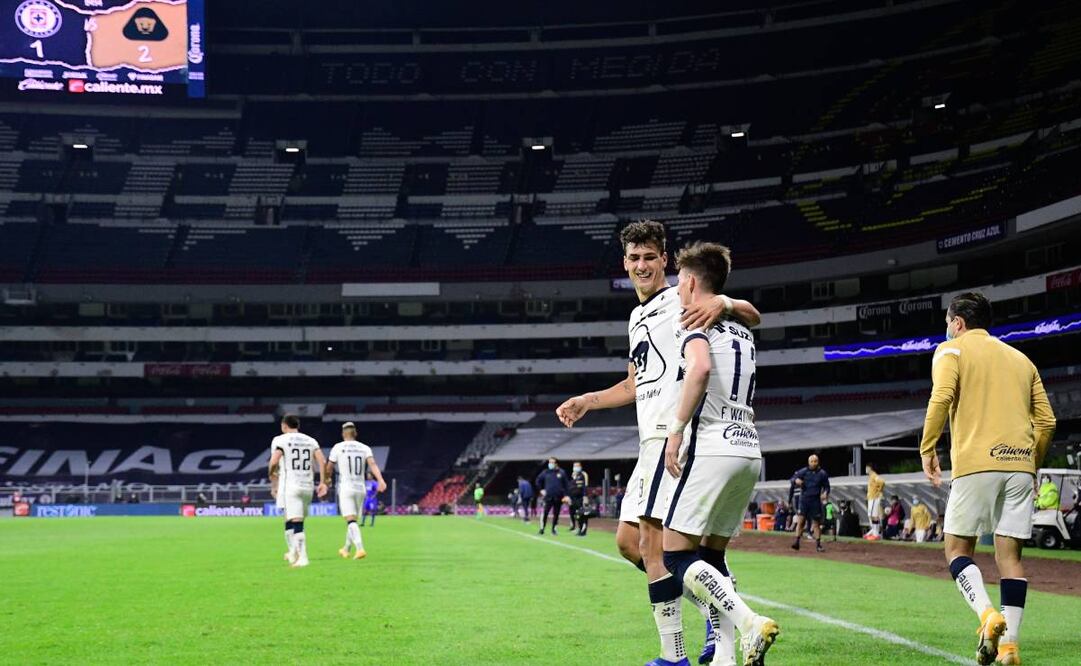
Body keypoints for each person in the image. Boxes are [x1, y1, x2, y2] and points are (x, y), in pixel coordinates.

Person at [555, 221, 761, 666]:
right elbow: (635, 382)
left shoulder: (679, 300)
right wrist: (589, 400)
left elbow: (748, 313)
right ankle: (715, 605)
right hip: (649, 440)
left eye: (650, 257)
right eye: (634, 258)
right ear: (624, 264)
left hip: (675, 437)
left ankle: (679, 651)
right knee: (630, 544)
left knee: (656, 545)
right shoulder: (636, 316)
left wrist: (725, 300)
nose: (642, 265)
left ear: (665, 260)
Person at [659, 241, 780, 665]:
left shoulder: (692, 319)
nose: (676, 290)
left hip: (712, 446)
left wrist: (675, 431)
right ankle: (726, 658)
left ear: (690, 282)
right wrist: (728, 302)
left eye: (678, 282)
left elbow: (701, 369)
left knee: (673, 553)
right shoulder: (739, 324)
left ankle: (749, 622)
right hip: (749, 446)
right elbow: (754, 314)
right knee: (712, 557)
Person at [920, 292, 1056, 665]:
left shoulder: (951, 351)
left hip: (977, 464)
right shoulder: (1022, 359)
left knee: (957, 550)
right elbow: (1047, 422)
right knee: (1010, 558)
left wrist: (927, 447)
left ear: (958, 323)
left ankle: (986, 615)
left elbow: (942, 395)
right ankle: (1009, 647)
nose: (947, 329)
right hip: (1020, 466)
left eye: (948, 322)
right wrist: (1031, 462)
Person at [267, 414, 328, 568]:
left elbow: (274, 461)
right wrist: (323, 482)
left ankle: (303, 557)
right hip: (307, 485)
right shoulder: (310, 440)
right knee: (290, 517)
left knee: (296, 522)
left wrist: (272, 476)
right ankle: (292, 552)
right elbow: (322, 460)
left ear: (284, 426)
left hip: (290, 485)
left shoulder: (280, 440)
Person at [326, 422, 386, 560]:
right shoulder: (364, 448)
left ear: (343, 434)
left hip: (346, 487)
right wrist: (381, 480)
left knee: (350, 520)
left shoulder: (338, 447)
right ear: (356, 434)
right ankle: (346, 549)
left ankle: (360, 549)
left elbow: (329, 467)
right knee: (353, 520)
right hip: (360, 488)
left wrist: (326, 480)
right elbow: (373, 464)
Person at [790, 454, 831, 552]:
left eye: (815, 461)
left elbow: (827, 487)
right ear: (808, 462)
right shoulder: (803, 471)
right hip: (804, 500)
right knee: (801, 521)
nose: (813, 463)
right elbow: (792, 479)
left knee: (816, 523)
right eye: (812, 461)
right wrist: (796, 480)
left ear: (818, 462)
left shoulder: (822, 474)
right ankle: (797, 542)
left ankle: (818, 545)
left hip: (815, 501)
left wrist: (825, 493)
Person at [535, 458, 569, 535]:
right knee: (545, 513)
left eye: (552, 462)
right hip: (548, 497)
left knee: (556, 514)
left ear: (556, 464)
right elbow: (538, 480)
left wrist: (566, 495)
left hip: (558, 497)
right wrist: (541, 490)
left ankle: (554, 529)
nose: (550, 464)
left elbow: (566, 485)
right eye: (549, 462)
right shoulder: (545, 472)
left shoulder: (562, 472)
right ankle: (542, 529)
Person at [864, 463, 885, 540]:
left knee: (874, 515)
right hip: (871, 498)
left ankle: (876, 533)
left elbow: (882, 482)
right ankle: (873, 531)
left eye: (867, 468)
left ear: (870, 468)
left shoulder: (874, 475)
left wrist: (879, 491)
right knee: (871, 515)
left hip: (874, 498)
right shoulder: (870, 477)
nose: (866, 469)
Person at [568, 462, 589, 532]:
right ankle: (578, 527)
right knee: (575, 513)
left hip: (581, 498)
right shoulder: (573, 475)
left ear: (580, 466)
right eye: (574, 466)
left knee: (582, 513)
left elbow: (585, 486)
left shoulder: (583, 474)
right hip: (573, 498)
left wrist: (585, 496)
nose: (576, 467)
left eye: (577, 466)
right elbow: (571, 487)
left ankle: (583, 529)